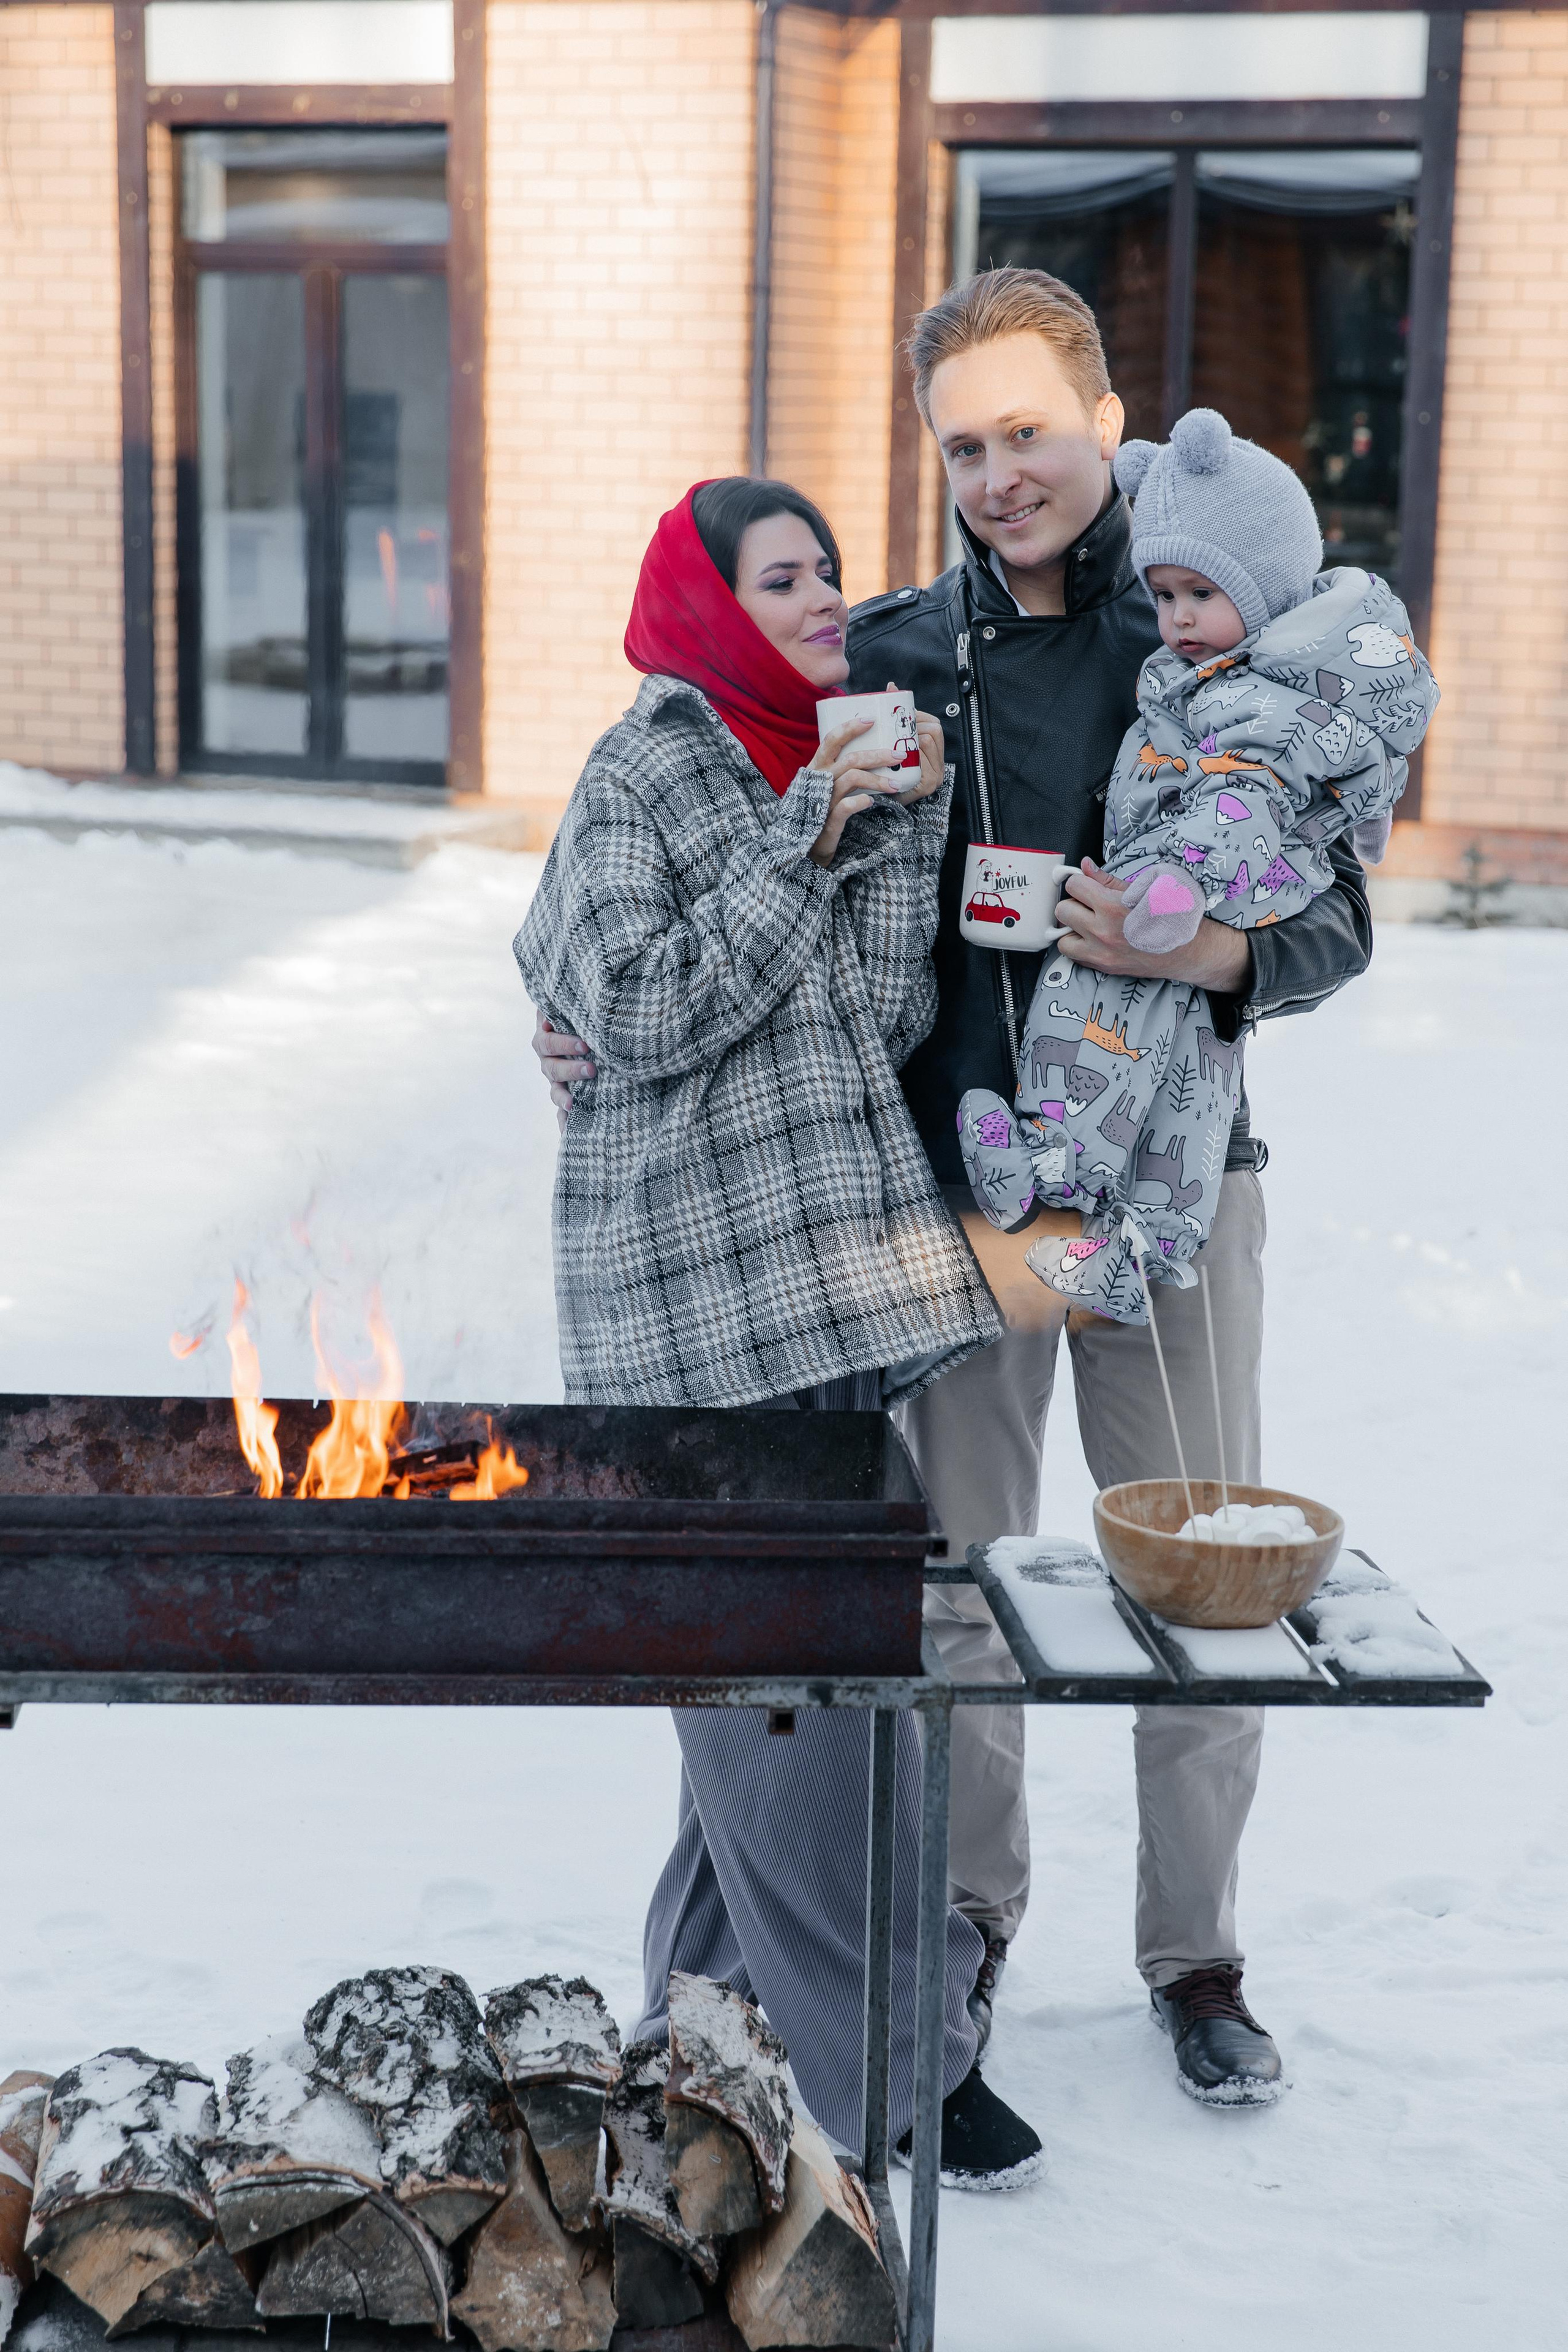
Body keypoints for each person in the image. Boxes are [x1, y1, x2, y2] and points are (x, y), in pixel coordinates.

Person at [533, 274, 1376, 2108]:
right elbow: (707, 843)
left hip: (1176, 1188)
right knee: (964, 1590)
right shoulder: (892, 656)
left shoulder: (1211, 629)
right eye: (964, 446)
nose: (1001, 476)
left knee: (1204, 1576)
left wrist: (1211, 949)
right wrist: (568, 1013)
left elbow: (1337, 914)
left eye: (1030, 434)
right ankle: (971, 1919)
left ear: (1104, 421)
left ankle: (1196, 1952)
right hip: (952, 1216)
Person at [514, 476, 1042, 2186]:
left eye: (827, 572)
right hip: (690, 1323)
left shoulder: (819, 756)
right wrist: (804, 828)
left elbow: (870, 1019)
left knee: (760, 1698)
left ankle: (695, 2031)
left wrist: (885, 838)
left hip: (820, 1296)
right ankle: (900, 2070)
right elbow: (641, 1008)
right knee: (792, 1720)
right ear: (704, 605)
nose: (825, 601)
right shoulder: (642, 774)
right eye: (782, 579)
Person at [959, 406, 1438, 1322]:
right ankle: (1087, 1202)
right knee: (1187, 1074)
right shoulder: (908, 646)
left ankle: (1090, 1196)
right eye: (966, 447)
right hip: (985, 1150)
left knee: (1099, 1008)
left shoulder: (1250, 684)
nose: (1178, 619)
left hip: (1187, 963)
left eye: (1027, 435)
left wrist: (1194, 924)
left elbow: (1298, 868)